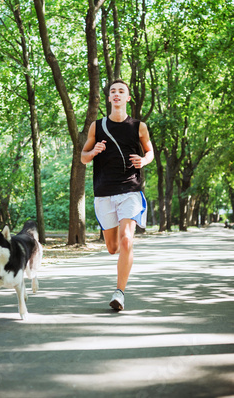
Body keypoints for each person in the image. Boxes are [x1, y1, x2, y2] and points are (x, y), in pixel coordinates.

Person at [81, 79, 154, 311]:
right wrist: (93, 151)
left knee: (126, 239)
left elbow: (150, 151)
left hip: (130, 190)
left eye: (121, 91)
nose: (117, 94)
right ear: (109, 97)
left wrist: (143, 160)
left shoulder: (138, 126)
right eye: (113, 91)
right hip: (104, 193)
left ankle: (119, 293)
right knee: (113, 247)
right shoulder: (97, 126)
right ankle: (124, 257)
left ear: (127, 97)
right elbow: (83, 157)